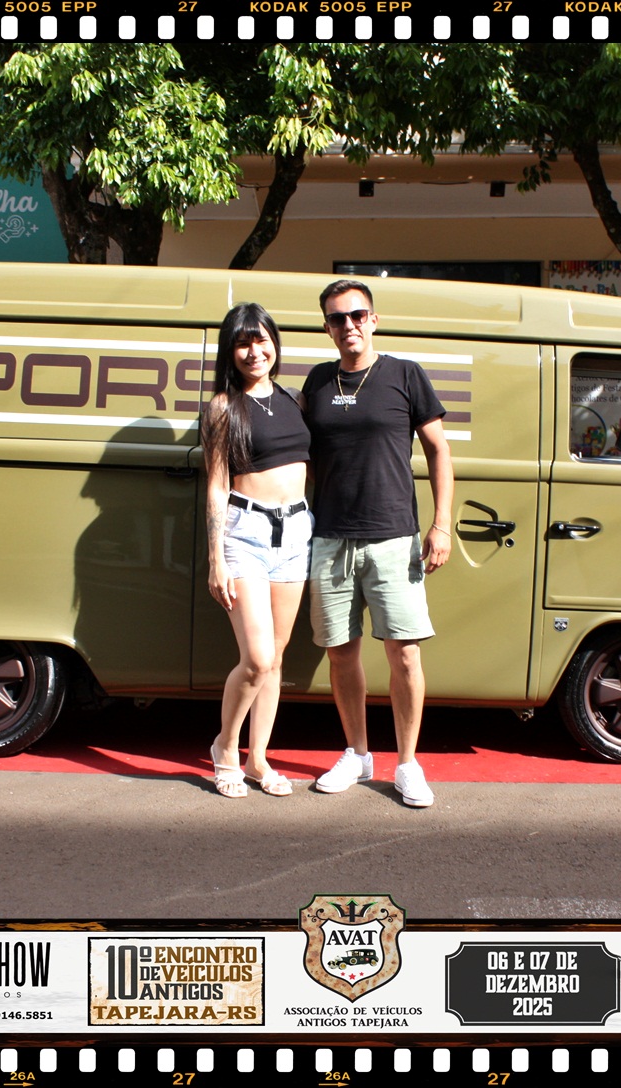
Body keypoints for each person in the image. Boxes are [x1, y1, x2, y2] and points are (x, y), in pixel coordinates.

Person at [303, 279, 453, 807]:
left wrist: (441, 524)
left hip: (393, 537)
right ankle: (358, 754)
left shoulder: (405, 374)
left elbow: (438, 450)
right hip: (330, 538)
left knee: (404, 654)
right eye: (337, 318)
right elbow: (303, 456)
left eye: (357, 315)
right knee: (341, 655)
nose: (348, 325)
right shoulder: (317, 382)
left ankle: (407, 764)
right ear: (327, 327)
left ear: (373, 319)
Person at [201, 302, 312, 798]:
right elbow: (216, 484)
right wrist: (215, 559)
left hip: (296, 532)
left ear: (275, 343)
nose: (254, 351)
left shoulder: (295, 400)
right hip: (244, 533)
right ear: (231, 350)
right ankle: (225, 747)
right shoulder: (223, 407)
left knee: (277, 658)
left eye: (262, 340)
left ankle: (257, 758)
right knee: (258, 658)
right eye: (243, 343)